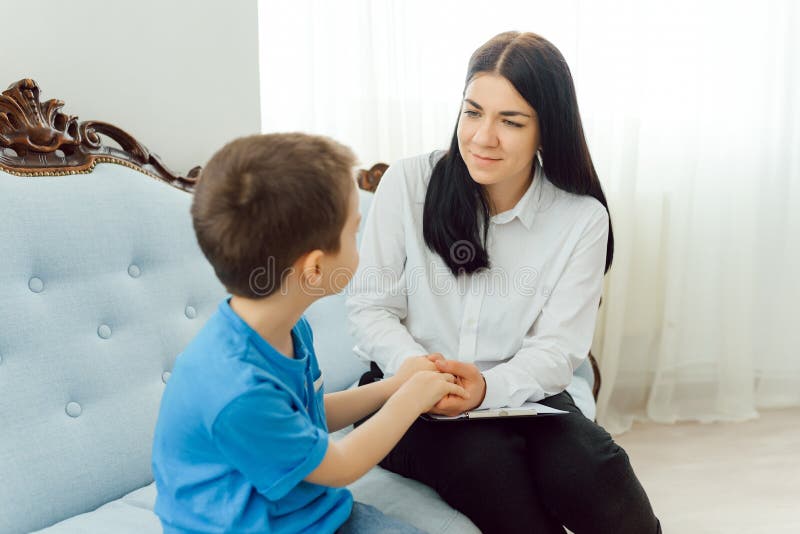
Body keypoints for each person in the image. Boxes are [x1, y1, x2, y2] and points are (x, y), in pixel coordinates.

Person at [347, 32, 661, 534]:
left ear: (547, 130)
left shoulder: (580, 218)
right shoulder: (408, 183)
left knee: (594, 466)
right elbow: (370, 307)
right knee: (485, 463)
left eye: (510, 121)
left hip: (519, 393)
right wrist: (419, 374)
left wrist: (487, 388)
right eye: (473, 113)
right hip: (406, 396)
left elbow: (559, 348)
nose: (482, 137)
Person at [151, 133, 468, 533]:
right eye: (354, 233)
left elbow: (308, 415)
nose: (360, 244)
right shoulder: (236, 388)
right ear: (315, 268)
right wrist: (411, 398)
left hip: (313, 515)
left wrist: (394, 385)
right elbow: (340, 466)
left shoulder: (286, 329)